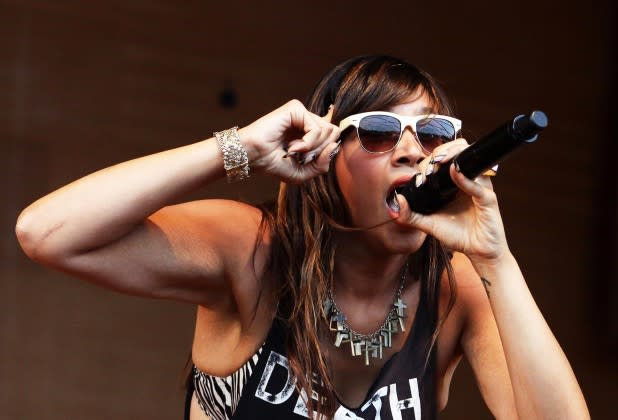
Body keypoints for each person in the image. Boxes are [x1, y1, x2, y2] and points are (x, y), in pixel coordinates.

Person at [15, 55, 589, 419]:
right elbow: (48, 233)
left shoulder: (455, 287)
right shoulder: (255, 248)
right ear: (325, 154)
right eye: (382, 131)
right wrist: (236, 147)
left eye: (433, 132)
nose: (414, 150)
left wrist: (496, 257)